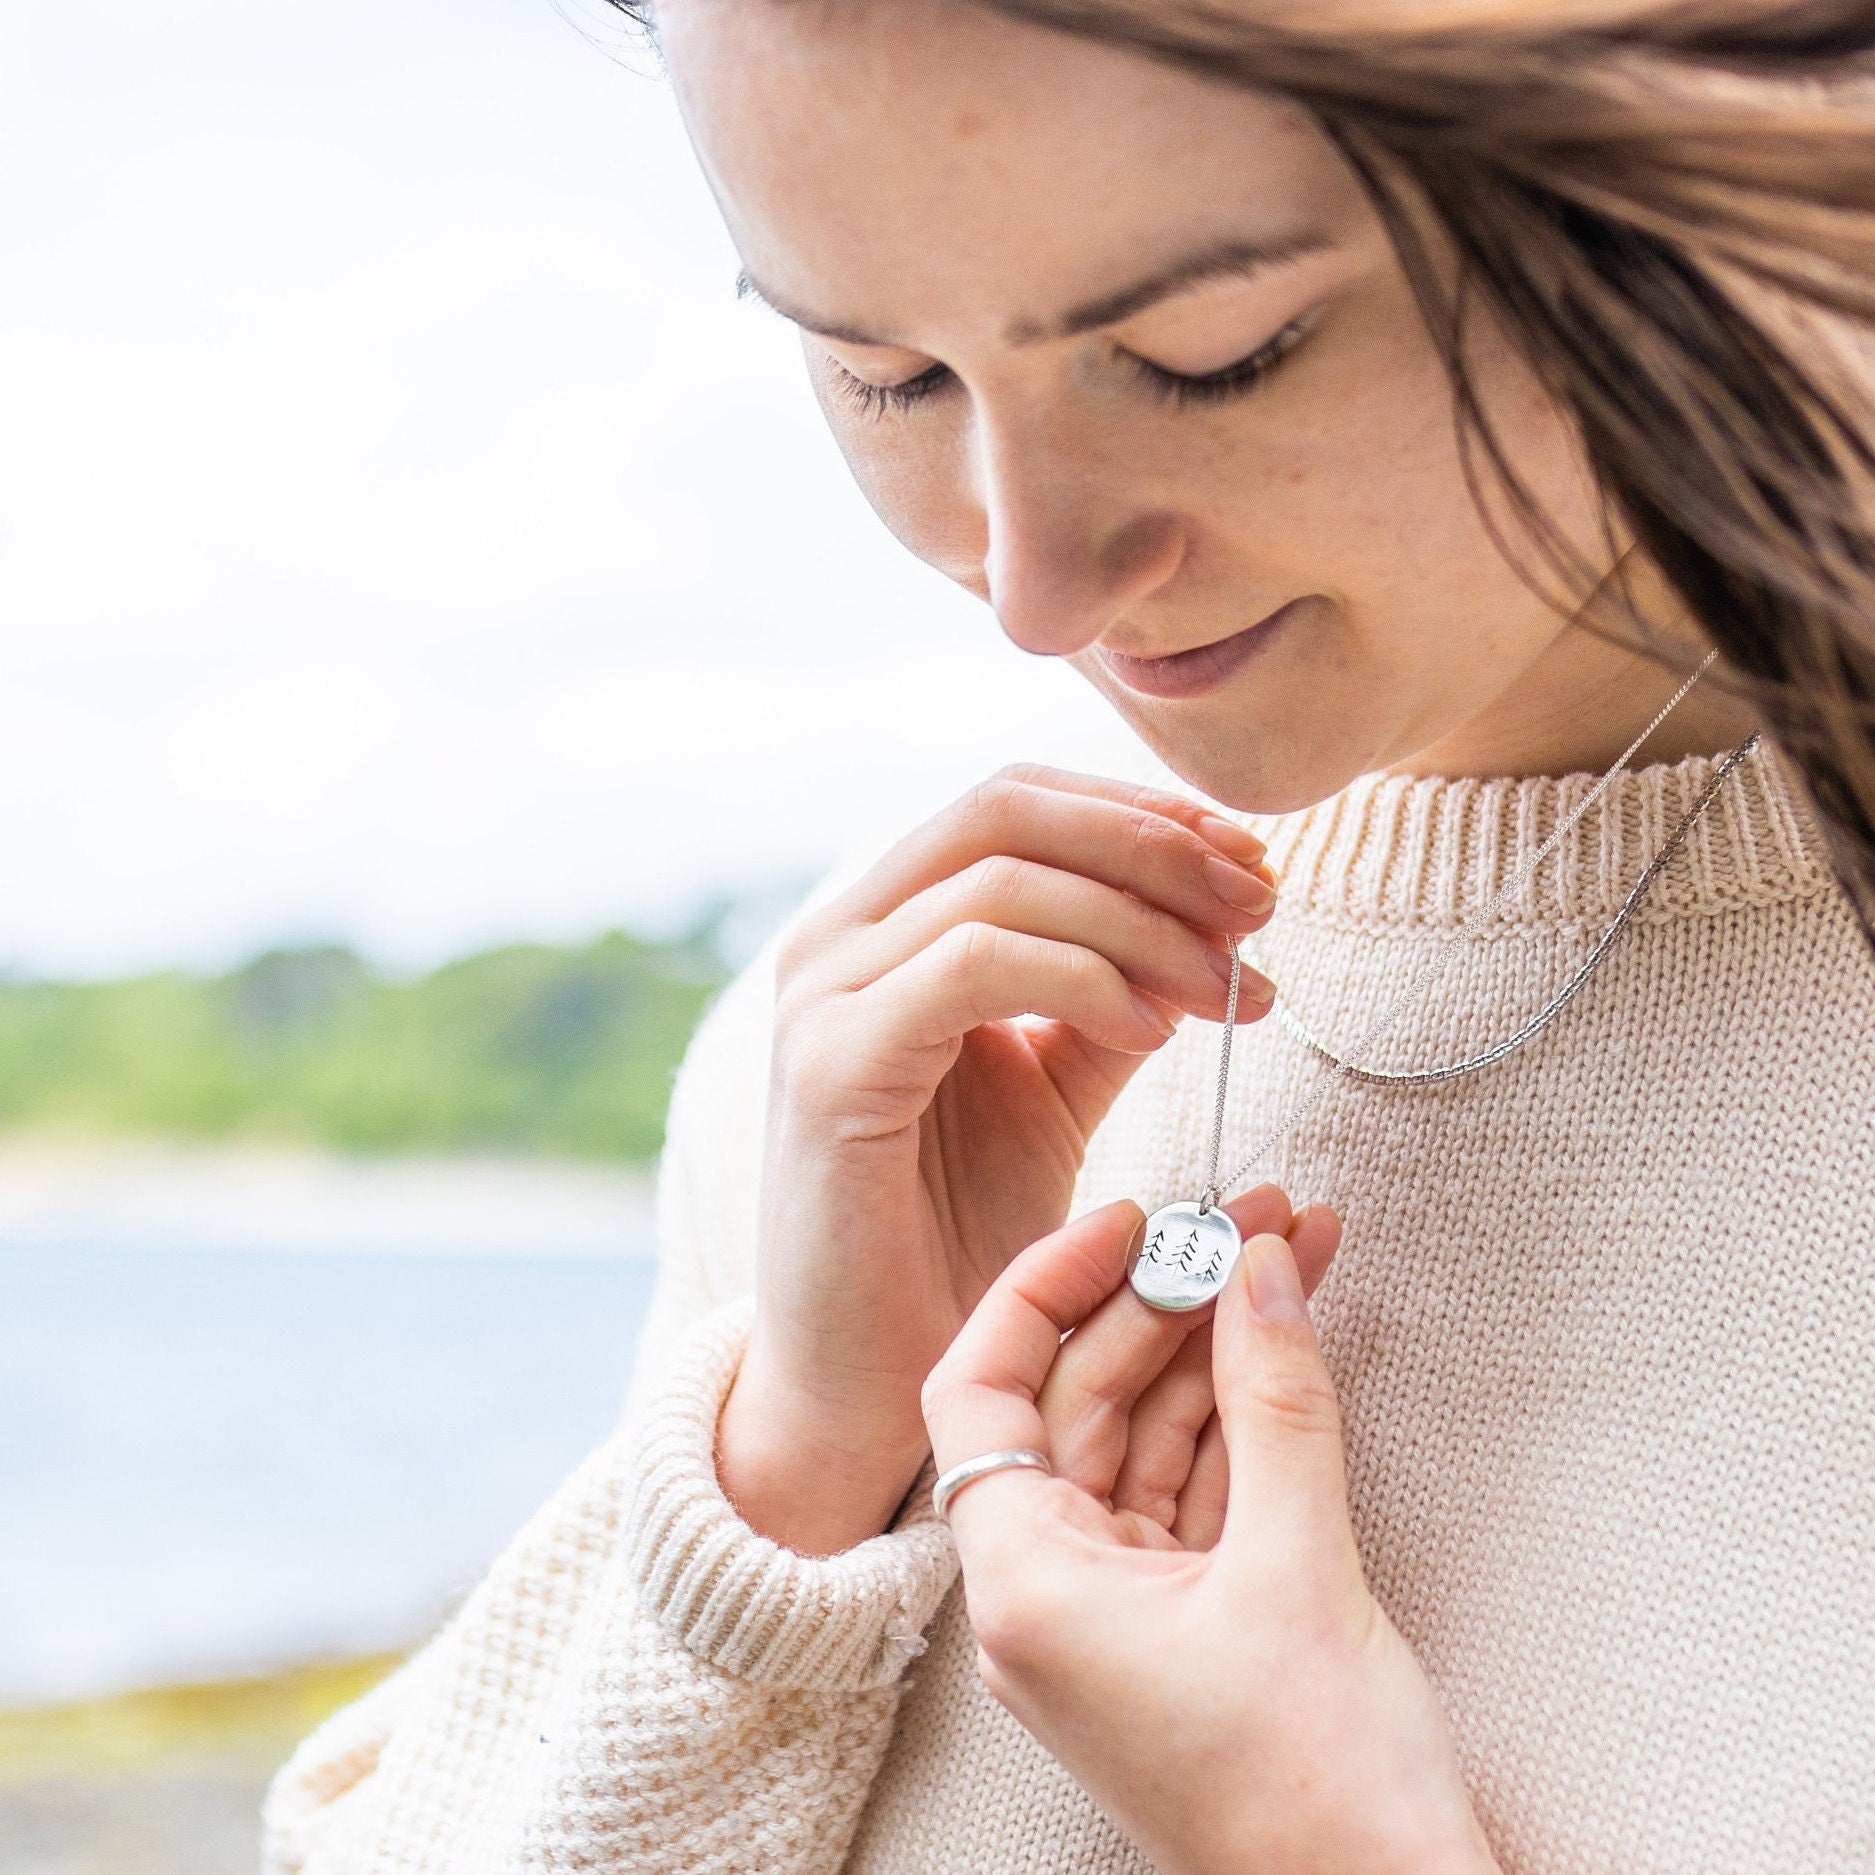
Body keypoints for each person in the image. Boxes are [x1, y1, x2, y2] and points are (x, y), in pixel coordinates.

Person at [262, 3, 1875, 1870]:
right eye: (881, 373)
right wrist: (790, 1485)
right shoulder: (891, 1071)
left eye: (1210, 355)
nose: (1032, 589)